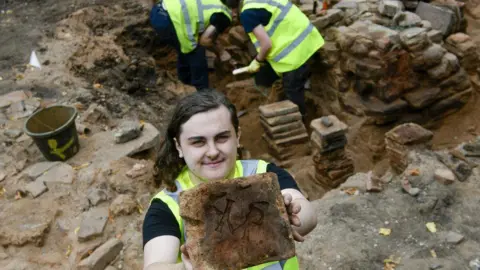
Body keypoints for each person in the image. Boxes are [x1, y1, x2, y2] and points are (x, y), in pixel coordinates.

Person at [143, 89, 317, 270]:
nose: (212, 151)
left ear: (237, 137)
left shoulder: (262, 172)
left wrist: (288, 217)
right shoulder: (168, 204)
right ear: (179, 146)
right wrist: (190, 268)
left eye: (221, 138)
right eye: (198, 142)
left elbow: (308, 215)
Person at [225, 0, 325, 117]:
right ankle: (301, 83)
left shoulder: (247, 14)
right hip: (309, 39)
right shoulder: (256, 2)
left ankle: (300, 121)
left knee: (292, 91)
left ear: (233, 9)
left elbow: (266, 44)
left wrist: (257, 61)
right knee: (269, 76)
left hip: (295, 54)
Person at [148, 0, 233, 90]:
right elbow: (204, 40)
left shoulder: (213, 3)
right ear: (234, 12)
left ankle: (185, 83)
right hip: (170, 21)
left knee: (185, 47)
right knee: (196, 51)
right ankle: (202, 93)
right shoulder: (224, 15)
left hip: (158, 11)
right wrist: (221, 52)